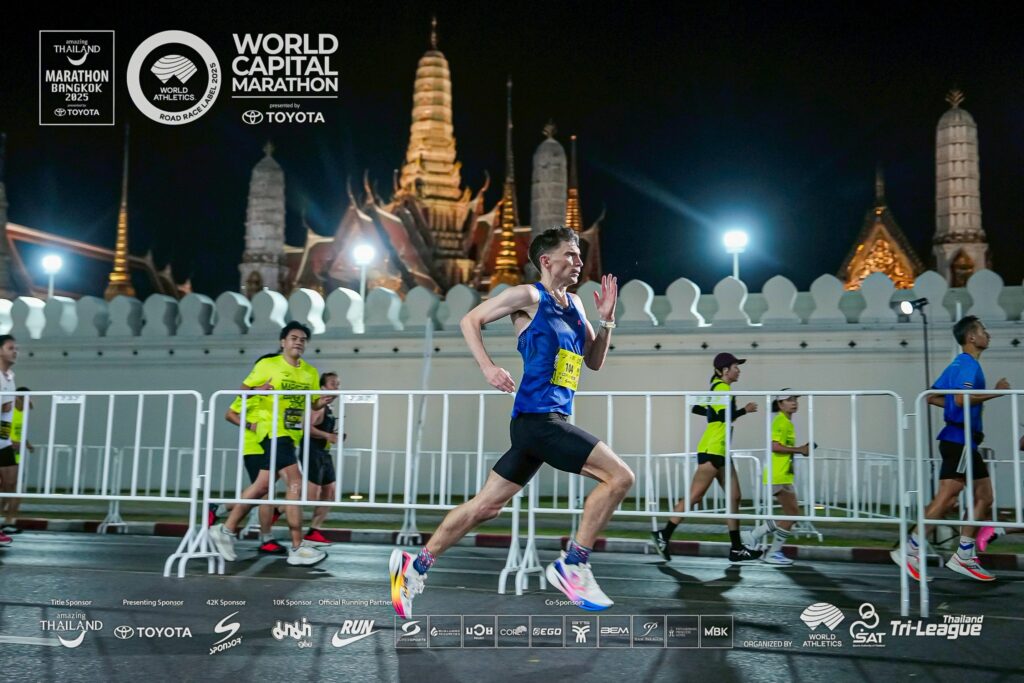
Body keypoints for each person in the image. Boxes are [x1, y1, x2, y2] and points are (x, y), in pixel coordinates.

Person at [389, 226, 632, 618]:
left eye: (579, 255)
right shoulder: (528, 297)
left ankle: (414, 567)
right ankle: (574, 564)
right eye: (571, 254)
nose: (579, 261)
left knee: (485, 507)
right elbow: (470, 320)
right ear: (546, 260)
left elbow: (594, 361)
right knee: (620, 477)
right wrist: (488, 367)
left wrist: (607, 321)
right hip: (538, 421)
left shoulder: (575, 304)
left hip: (545, 422)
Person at [891, 315, 1009, 582]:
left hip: (963, 440)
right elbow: (961, 399)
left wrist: (954, 409)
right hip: (960, 440)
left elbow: (932, 397)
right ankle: (911, 549)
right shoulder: (968, 365)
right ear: (971, 337)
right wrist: (996, 392)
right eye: (983, 330)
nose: (988, 334)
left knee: (984, 496)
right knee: (948, 497)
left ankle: (963, 554)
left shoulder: (958, 364)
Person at [210, 322, 334, 567]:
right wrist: (259, 390)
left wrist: (322, 402)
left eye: (303, 339)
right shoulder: (268, 364)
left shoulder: (309, 372)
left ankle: (226, 528)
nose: (298, 342)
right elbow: (242, 392)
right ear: (283, 342)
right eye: (293, 338)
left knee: (262, 486)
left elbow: (311, 403)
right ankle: (297, 547)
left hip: (291, 433)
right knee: (295, 482)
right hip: (272, 430)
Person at [651, 352, 762, 563]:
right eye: (735, 367)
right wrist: (744, 411)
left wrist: (715, 412)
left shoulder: (717, 387)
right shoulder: (722, 388)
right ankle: (663, 535)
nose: (739, 370)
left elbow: (697, 408)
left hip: (721, 450)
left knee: (734, 496)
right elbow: (721, 415)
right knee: (695, 497)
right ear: (725, 370)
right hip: (712, 449)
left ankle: (737, 548)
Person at [219, 354, 289, 556]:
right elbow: (229, 414)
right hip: (255, 448)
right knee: (265, 493)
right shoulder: (251, 395)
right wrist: (250, 425)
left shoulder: (275, 395)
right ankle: (266, 538)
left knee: (264, 491)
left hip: (273, 444)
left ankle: (220, 508)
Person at [741, 390, 810, 565]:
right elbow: (775, 446)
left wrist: (799, 450)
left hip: (782, 474)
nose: (794, 402)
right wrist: (800, 450)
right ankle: (771, 551)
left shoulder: (786, 422)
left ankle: (756, 537)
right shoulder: (780, 421)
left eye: (795, 399)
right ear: (780, 404)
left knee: (792, 514)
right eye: (789, 400)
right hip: (777, 474)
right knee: (793, 514)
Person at [303, 371, 341, 546]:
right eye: (333, 384)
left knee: (330, 492)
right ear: (323, 387)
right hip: (312, 451)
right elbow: (306, 427)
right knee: (310, 497)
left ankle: (314, 531)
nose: (337, 388)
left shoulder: (329, 408)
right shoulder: (317, 406)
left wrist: (333, 436)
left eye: (338, 384)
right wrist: (328, 435)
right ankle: (277, 510)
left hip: (324, 453)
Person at [2, 386, 33, 537]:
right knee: (7, 488)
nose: (31, 401)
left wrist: (26, 444)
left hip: (16, 455)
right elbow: (4, 429)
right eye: (28, 398)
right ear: (18, 398)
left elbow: (19, 431)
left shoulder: (23, 413)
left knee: (14, 489)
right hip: (6, 452)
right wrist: (11, 442)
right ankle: (7, 520)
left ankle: (9, 520)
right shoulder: (10, 410)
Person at [0, 335, 19, 546]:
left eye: (16, 348)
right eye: (10, 348)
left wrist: (9, 435)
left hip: (3, 439)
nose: (15, 352)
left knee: (10, 481)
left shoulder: (10, 376)